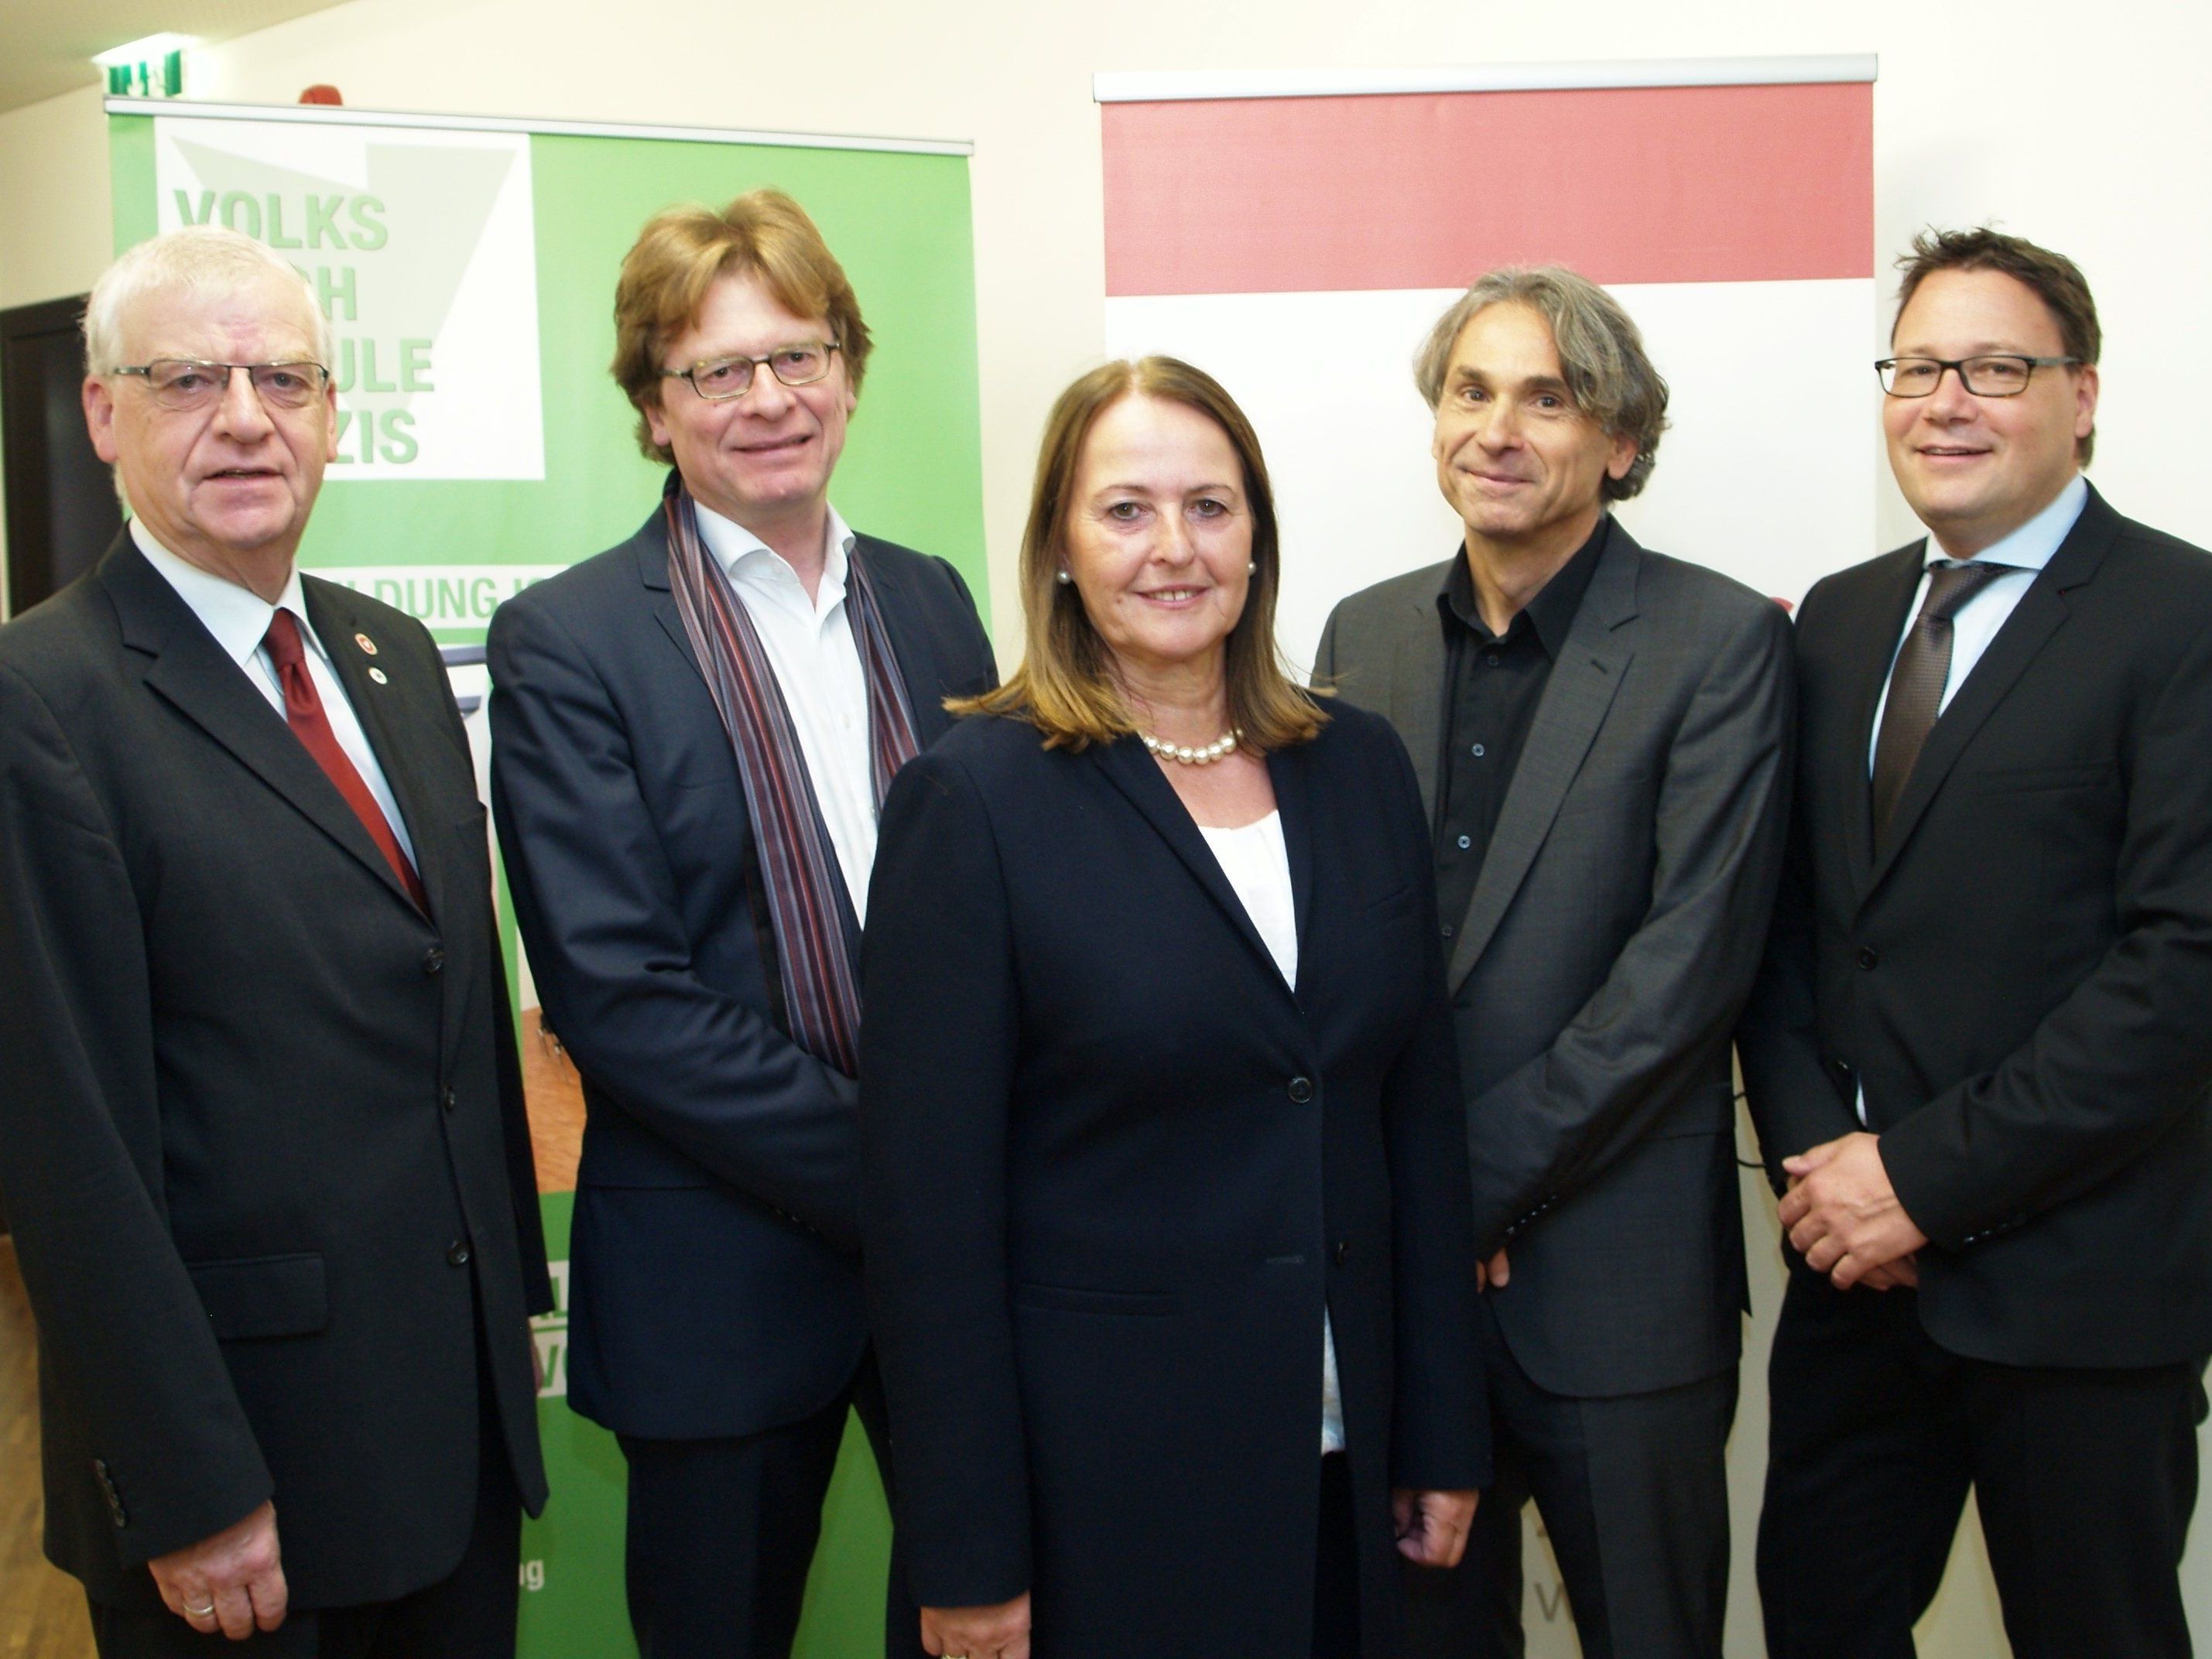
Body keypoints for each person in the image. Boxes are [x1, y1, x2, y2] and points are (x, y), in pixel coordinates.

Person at [861, 355, 1484, 1659]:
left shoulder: (1354, 764)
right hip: (1100, 1495)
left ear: (1256, 537)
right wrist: (966, 1547)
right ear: (1058, 547)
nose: (1173, 549)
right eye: (1125, 510)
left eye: (1209, 506)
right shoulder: (974, 799)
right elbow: (931, 1224)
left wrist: (1436, 1426)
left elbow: (1414, 1124)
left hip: (1340, 1460)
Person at [0, 225, 549, 1656]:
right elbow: (68, 1147)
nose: (247, 420)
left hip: (452, 1441)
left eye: (285, 381)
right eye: (190, 380)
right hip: (247, 1479)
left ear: (330, 415)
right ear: (104, 414)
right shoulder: (39, 704)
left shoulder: (394, 657)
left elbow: (450, 1023)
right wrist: (185, 1485)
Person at [486, 189, 996, 1659]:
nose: (769, 399)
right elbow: (617, 994)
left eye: (799, 354)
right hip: (726, 1279)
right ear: (653, 409)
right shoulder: (570, 641)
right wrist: (917, 1174)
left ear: (848, 369)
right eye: (716, 370)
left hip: (958, 1287)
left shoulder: (934, 600)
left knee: (996, 1624)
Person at [1737, 227, 2212, 1659]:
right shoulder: (1836, 621)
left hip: (2079, 1300)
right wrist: (1834, 1183)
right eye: (1918, 365)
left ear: (2082, 396)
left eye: (1997, 366)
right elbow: (1791, 936)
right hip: (1853, 1287)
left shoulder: (2181, 617)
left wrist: (1917, 1182)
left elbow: (2181, 969)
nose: (1947, 399)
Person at [1314, 267, 1794, 1659]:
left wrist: (1458, 1188)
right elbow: (1336, 944)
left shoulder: (1717, 642)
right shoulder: (1361, 633)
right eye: (1471, 391)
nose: (1498, 428)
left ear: (1620, 443)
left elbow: (1686, 973)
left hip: (1612, 1293)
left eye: (1547, 397)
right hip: (1405, 1301)